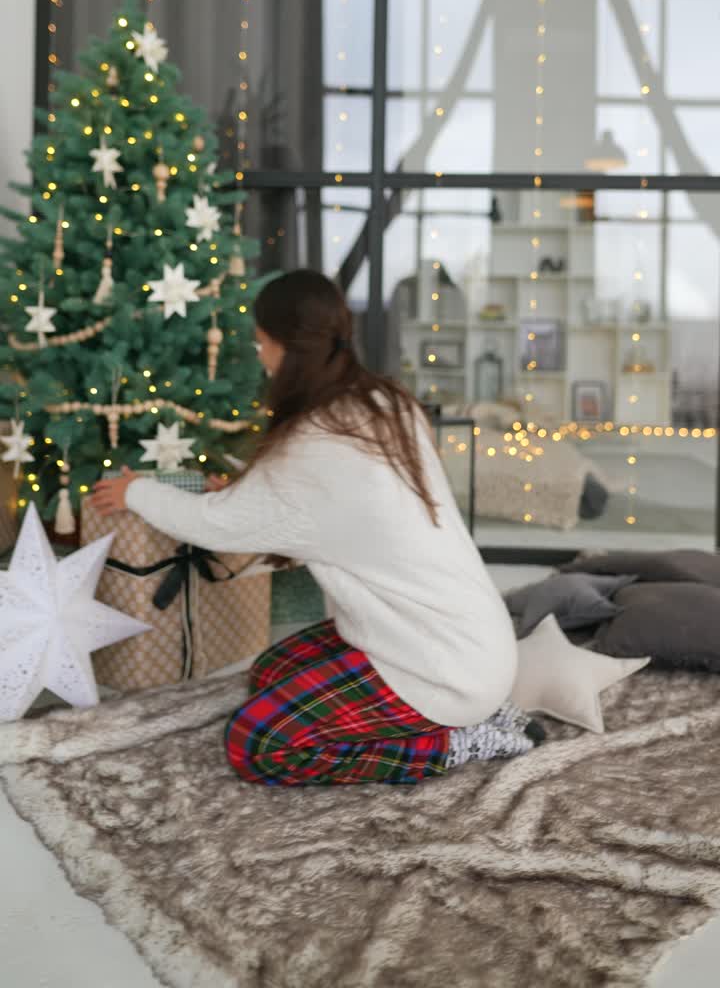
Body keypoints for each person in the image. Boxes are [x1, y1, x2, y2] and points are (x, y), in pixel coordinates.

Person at [92, 269, 538, 787]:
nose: (260, 356)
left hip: (440, 669)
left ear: (284, 346)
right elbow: (338, 511)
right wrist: (243, 494)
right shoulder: (384, 404)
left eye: (261, 343)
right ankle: (471, 713)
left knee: (256, 742)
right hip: (464, 639)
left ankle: (452, 743)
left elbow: (217, 526)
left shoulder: (313, 441)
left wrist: (136, 492)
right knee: (270, 674)